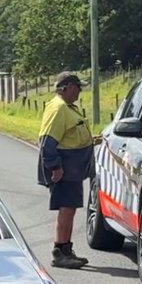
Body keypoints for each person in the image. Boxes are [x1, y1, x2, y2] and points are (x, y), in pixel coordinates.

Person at [37, 71, 97, 269]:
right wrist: (55, 167)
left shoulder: (67, 107)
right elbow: (47, 142)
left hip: (72, 169)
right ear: (69, 87)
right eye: (78, 87)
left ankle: (66, 250)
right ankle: (60, 253)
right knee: (66, 209)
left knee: (69, 209)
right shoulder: (59, 108)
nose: (79, 91)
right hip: (64, 169)